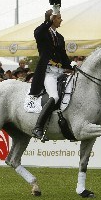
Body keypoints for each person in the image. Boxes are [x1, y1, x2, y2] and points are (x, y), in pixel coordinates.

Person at [29, 9, 73, 141]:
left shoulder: (60, 37)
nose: (61, 20)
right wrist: (49, 19)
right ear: (52, 19)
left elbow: (63, 57)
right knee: (54, 96)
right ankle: (38, 127)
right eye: (59, 18)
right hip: (49, 73)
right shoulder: (42, 33)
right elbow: (38, 31)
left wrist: (73, 66)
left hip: (60, 73)